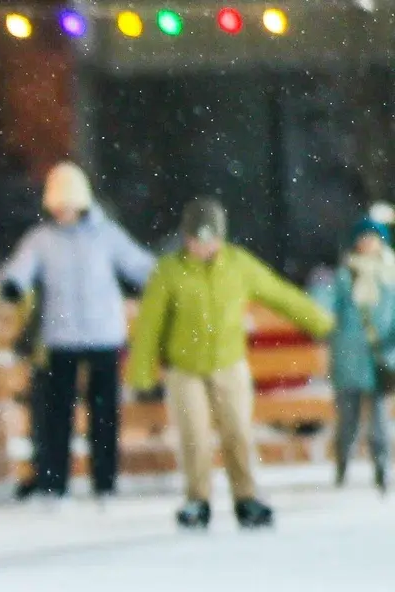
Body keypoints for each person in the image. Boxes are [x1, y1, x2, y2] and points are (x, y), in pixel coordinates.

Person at [127, 198, 335, 529]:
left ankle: (246, 497)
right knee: (194, 434)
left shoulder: (238, 266)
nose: (202, 246)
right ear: (186, 238)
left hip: (228, 364)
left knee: (237, 430)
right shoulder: (170, 271)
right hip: (185, 369)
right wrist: (141, 374)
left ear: (221, 238)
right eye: (196, 239)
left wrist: (323, 323)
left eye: (210, 239)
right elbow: (150, 325)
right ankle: (197, 500)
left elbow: (280, 294)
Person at [0, 162, 156, 504]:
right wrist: (12, 285)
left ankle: (105, 483)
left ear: (81, 202)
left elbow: (139, 265)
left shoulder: (106, 235)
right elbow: (19, 268)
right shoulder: (41, 240)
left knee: (104, 415)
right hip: (61, 338)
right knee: (56, 415)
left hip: (104, 336)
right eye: (57, 205)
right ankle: (54, 484)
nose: (63, 211)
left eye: (68, 204)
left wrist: (160, 280)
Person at [310, 217, 395, 493]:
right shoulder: (344, 275)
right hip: (349, 357)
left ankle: (381, 468)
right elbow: (323, 306)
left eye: (373, 238)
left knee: (380, 421)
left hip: (380, 358)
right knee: (348, 419)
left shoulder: (389, 275)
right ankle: (342, 465)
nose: (368, 243)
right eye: (364, 238)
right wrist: (319, 291)